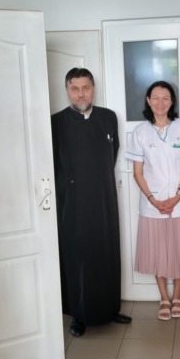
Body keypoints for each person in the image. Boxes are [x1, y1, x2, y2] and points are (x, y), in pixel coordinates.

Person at [52, 67, 132, 337]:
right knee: (78, 256)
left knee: (107, 252)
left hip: (104, 197)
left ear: (93, 89)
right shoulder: (56, 122)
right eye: (75, 89)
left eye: (85, 88)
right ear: (67, 90)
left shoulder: (108, 118)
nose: (81, 94)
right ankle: (79, 314)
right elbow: (53, 163)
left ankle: (110, 309)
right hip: (73, 202)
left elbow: (112, 153)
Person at [126, 81, 180, 320]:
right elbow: (138, 173)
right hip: (152, 203)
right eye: (155, 98)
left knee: (178, 248)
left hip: (179, 201)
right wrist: (153, 200)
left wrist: (177, 196)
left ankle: (177, 295)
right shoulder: (140, 132)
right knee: (158, 250)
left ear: (172, 102)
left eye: (165, 98)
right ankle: (163, 297)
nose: (160, 103)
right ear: (148, 101)